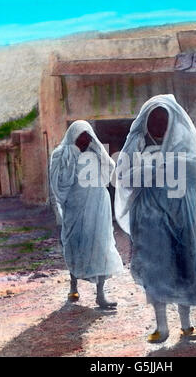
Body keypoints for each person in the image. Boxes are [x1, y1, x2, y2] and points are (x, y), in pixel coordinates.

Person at [115, 95, 196, 342]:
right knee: (156, 268)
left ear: (173, 121)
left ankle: (187, 325)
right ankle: (161, 327)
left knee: (184, 265)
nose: (158, 125)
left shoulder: (184, 143)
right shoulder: (137, 145)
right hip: (149, 218)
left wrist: (160, 165)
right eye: (154, 120)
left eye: (163, 120)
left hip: (182, 214)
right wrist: (156, 168)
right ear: (145, 122)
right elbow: (124, 177)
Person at [50, 120, 123, 308]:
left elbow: (110, 168)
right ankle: (73, 286)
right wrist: (73, 153)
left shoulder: (95, 152)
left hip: (98, 207)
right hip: (75, 208)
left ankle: (100, 295)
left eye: (87, 137)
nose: (84, 141)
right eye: (81, 137)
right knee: (75, 244)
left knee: (101, 246)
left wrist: (97, 149)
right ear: (72, 137)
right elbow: (59, 183)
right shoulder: (61, 154)